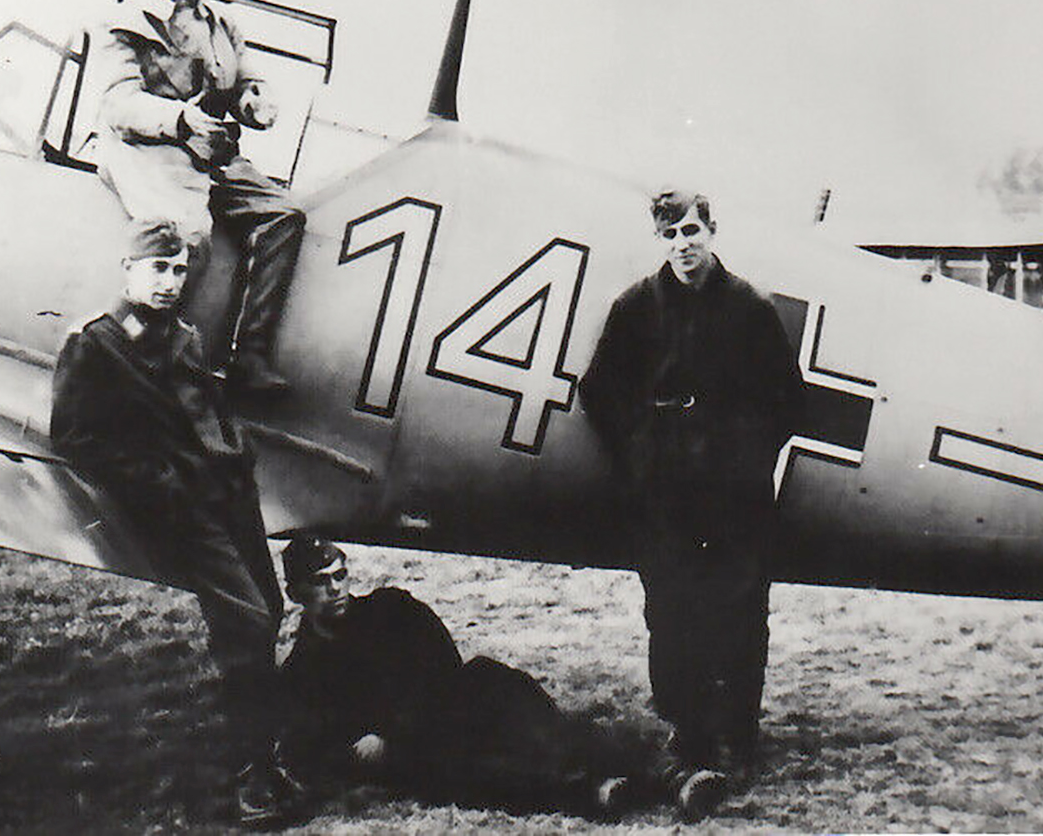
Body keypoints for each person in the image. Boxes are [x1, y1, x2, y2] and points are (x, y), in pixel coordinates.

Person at [50, 220, 297, 826]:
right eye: (157, 268)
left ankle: (264, 755)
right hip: (185, 511)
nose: (169, 282)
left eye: (179, 270)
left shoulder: (182, 336)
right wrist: (159, 488)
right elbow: (75, 438)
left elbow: (207, 412)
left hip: (230, 499)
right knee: (248, 622)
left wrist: (239, 454)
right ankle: (251, 777)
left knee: (268, 609)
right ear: (128, 269)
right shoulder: (96, 343)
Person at [578, 189, 803, 821]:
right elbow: (599, 391)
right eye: (672, 233)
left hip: (734, 494)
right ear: (660, 239)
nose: (684, 243)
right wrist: (640, 456)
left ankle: (736, 732)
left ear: (712, 231)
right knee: (670, 607)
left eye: (693, 230)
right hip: (665, 492)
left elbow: (786, 398)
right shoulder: (636, 307)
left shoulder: (748, 307)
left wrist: (744, 455)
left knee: (738, 606)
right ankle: (684, 729)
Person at [94, 0, 304, 393]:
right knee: (183, 235)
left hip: (207, 149)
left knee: (283, 216)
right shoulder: (125, 21)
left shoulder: (220, 22)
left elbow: (246, 78)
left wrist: (256, 100)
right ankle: (137, 367)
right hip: (147, 148)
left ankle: (248, 357)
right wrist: (181, 120)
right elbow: (119, 105)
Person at [278, 534, 635, 819]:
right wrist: (364, 748)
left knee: (495, 682)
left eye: (341, 575)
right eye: (320, 582)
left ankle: (636, 766)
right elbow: (317, 743)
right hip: (418, 749)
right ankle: (590, 792)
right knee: (464, 776)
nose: (336, 589)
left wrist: (391, 728)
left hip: (454, 705)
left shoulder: (393, 609)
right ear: (296, 594)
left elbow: (444, 664)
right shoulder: (303, 669)